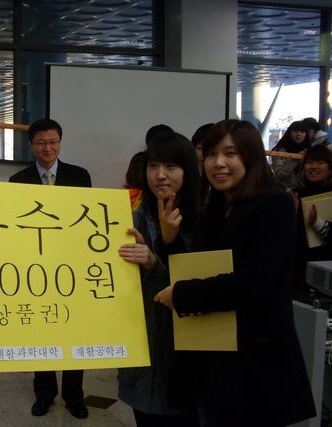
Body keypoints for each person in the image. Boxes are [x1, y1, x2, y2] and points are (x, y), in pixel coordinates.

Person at [154, 119, 316, 426]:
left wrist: (182, 294)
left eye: (230, 153)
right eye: (211, 154)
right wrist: (169, 239)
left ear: (251, 157)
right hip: (213, 358)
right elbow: (197, 270)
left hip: (255, 364)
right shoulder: (215, 208)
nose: (218, 163)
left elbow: (253, 284)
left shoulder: (274, 204)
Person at [9, 118, 91, 419]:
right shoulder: (18, 180)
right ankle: (44, 395)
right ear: (31, 145)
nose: (48, 148)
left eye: (53, 141)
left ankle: (74, 396)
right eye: (41, 143)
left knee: (74, 331)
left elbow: (87, 219)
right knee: (40, 331)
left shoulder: (79, 176)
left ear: (60, 142)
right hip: (35, 266)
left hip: (72, 265)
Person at [118, 132, 200, 427]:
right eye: (153, 166)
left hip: (184, 356)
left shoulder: (203, 219)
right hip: (141, 348)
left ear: (187, 170)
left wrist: (154, 262)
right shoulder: (133, 218)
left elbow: (200, 288)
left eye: (170, 166)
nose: (160, 175)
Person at [291, 144, 332, 295]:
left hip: (326, 272)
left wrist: (317, 222)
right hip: (297, 271)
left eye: (320, 162)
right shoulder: (294, 194)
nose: (313, 167)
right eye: (309, 162)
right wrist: (292, 213)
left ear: (330, 167)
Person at [271, 120, 310, 188]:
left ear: (306, 134)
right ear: (289, 133)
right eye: (295, 131)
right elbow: (279, 174)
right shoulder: (279, 150)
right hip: (284, 188)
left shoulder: (309, 150)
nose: (298, 134)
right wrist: (294, 160)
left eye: (302, 131)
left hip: (306, 189)